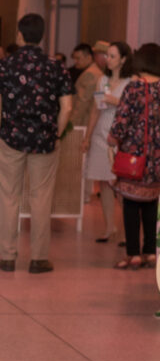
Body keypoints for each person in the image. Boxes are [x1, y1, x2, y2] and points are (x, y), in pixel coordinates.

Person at [0, 13, 72, 273]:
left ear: (19, 35)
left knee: (9, 198)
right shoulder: (56, 67)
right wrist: (56, 133)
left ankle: (7, 257)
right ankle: (38, 258)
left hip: (9, 139)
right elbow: (67, 108)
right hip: (45, 141)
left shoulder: (3, 66)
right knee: (41, 198)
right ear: (43, 35)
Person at [109, 43, 160, 269]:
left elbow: (121, 122)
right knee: (152, 203)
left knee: (130, 205)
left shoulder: (133, 88)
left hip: (133, 157)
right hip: (157, 159)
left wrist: (112, 140)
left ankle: (133, 254)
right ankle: (150, 251)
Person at [82, 41, 133, 242]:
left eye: (112, 56)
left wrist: (116, 101)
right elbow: (95, 109)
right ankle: (109, 227)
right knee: (103, 182)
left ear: (123, 59)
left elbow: (133, 109)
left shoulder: (130, 82)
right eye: (107, 56)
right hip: (101, 132)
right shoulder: (102, 79)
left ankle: (125, 231)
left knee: (120, 184)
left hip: (121, 134)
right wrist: (87, 136)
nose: (107, 59)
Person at [71, 43, 103, 126]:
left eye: (78, 58)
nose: (75, 61)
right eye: (74, 58)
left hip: (83, 121)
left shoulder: (90, 74)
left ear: (89, 57)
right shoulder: (96, 72)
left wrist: (71, 124)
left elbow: (82, 102)